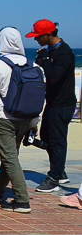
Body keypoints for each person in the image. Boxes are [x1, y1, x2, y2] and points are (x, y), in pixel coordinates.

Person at [0, 27, 43, 213]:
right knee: (10, 155)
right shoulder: (35, 66)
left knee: (9, 157)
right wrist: (34, 122)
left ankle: (22, 200)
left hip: (3, 117)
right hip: (25, 117)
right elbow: (38, 96)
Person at [27, 19, 76, 194]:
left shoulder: (64, 52)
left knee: (57, 141)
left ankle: (54, 177)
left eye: (38, 36)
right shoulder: (54, 51)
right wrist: (43, 61)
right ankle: (59, 170)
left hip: (63, 104)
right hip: (54, 102)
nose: (35, 40)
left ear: (48, 34)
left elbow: (54, 77)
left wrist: (45, 59)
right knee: (48, 137)